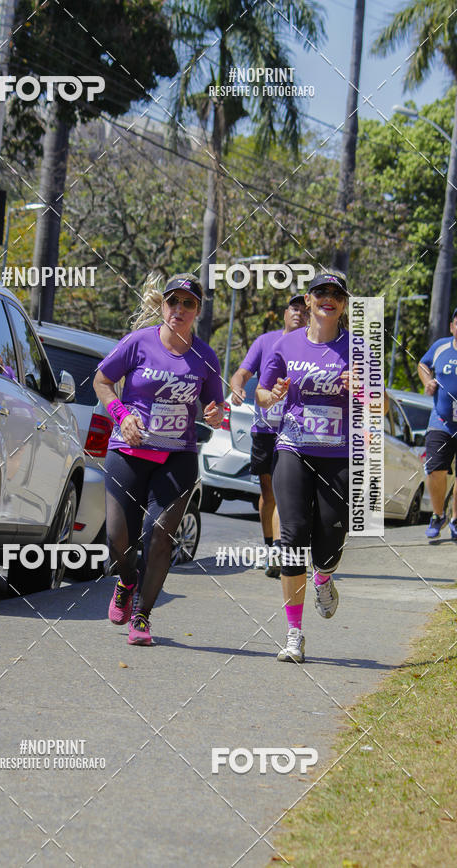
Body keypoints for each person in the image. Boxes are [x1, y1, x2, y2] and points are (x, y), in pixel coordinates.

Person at [257, 272, 388, 663]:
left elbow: (380, 404)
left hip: (339, 455)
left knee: (330, 542)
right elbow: (263, 395)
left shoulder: (359, 348)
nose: (328, 298)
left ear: (343, 304)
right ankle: (294, 634)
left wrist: (361, 387)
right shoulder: (285, 344)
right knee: (293, 535)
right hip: (293, 447)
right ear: (309, 301)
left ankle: (325, 577)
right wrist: (274, 394)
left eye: (336, 294)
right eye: (321, 292)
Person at [93, 273, 225, 645]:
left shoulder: (205, 356)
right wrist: (121, 413)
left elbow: (215, 406)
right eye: (173, 301)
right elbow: (102, 381)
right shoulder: (138, 342)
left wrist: (216, 414)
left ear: (197, 310)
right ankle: (127, 580)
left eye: (188, 303)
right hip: (129, 451)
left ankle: (142, 615)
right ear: (163, 305)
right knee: (118, 539)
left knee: (161, 536)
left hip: (176, 457)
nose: (178, 309)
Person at [230, 295, 308, 577]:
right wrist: (237, 387)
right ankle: (269, 545)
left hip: (296, 431)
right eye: (294, 308)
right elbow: (242, 372)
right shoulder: (266, 341)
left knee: (284, 492)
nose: (299, 313)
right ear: (284, 313)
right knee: (268, 494)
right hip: (265, 429)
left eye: (304, 309)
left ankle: (279, 548)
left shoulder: (311, 347)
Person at [417, 307, 457, 542]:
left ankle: (455, 519)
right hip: (441, 421)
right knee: (435, 470)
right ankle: (438, 514)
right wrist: (428, 380)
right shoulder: (441, 346)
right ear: (452, 327)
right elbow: (423, 365)